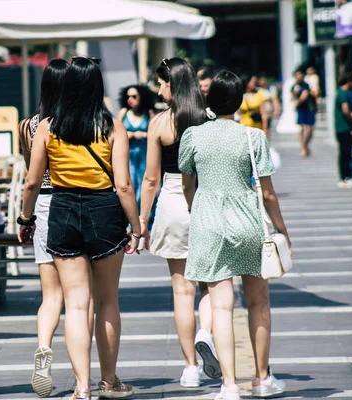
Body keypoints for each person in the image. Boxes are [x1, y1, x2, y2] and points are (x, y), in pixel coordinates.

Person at [18, 56, 141, 400]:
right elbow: (124, 186)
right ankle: (109, 381)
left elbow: (31, 183)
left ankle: (82, 388)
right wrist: (137, 225)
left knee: (74, 304)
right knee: (106, 302)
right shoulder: (112, 126)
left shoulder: (48, 127)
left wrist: (26, 219)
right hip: (104, 211)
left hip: (63, 209)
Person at [179, 69, 291, 400]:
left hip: (209, 223)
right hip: (248, 224)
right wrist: (282, 229)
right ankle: (261, 378)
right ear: (239, 101)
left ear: (209, 99)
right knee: (258, 302)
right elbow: (268, 193)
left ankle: (228, 385)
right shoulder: (252, 137)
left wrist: (194, 208)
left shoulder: (193, 136)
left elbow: (188, 183)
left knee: (222, 306)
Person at [139, 57, 220, 388]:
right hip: (207, 201)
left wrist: (142, 222)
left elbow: (149, 179)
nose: (158, 88)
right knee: (212, 285)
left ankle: (189, 368)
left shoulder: (159, 124)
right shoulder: (210, 119)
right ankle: (206, 331)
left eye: (161, 82)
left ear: (173, 83)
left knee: (181, 290)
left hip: (173, 201)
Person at [19, 59, 72, 398]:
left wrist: (25, 218)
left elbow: (31, 176)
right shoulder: (78, 120)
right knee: (81, 296)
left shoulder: (30, 125)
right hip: (74, 202)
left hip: (42, 204)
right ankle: (91, 373)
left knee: (50, 295)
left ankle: (42, 348)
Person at [117, 84, 155, 208]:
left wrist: (143, 135)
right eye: (128, 97)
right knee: (129, 184)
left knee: (144, 185)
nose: (130, 100)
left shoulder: (148, 113)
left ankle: (143, 217)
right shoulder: (124, 113)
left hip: (144, 154)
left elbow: (155, 133)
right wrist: (130, 134)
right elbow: (116, 132)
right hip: (128, 155)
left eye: (134, 96)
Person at [334, 73, 352, 188]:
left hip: (343, 128)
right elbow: (346, 110)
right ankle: (344, 177)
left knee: (347, 153)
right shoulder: (343, 94)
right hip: (344, 128)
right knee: (345, 153)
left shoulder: (342, 93)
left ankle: (347, 176)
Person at [292, 69, 316, 157]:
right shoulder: (294, 86)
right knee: (301, 129)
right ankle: (303, 148)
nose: (299, 76)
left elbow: (314, 94)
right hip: (301, 109)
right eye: (297, 75)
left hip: (309, 108)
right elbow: (292, 98)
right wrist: (295, 95)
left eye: (300, 75)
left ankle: (305, 145)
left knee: (310, 129)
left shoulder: (307, 85)